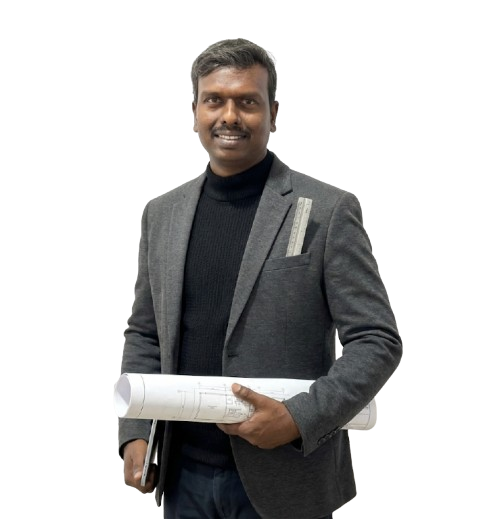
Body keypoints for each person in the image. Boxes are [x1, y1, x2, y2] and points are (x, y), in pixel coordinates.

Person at [117, 37, 403, 518]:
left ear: (273, 113)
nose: (229, 116)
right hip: (181, 477)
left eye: (247, 102)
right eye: (215, 100)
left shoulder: (327, 209)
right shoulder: (161, 213)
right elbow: (145, 333)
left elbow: (377, 339)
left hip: (287, 477)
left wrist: (299, 417)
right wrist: (136, 431)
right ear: (195, 112)